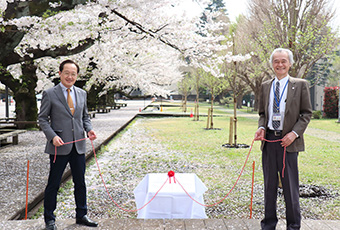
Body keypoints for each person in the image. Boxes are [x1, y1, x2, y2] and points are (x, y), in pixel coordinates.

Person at [254, 48, 312, 230]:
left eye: (283, 61)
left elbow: (306, 114)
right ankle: (269, 224)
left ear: (290, 63)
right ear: (272, 64)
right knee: (269, 187)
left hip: (289, 144)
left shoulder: (300, 85)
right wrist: (261, 127)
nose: (280, 65)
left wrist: (294, 134)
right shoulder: (265, 86)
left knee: (290, 188)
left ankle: (293, 226)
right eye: (276, 61)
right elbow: (263, 113)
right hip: (269, 142)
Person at [39, 60, 98, 230]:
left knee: (80, 182)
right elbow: (42, 119)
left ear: (77, 76)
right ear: (60, 74)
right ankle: (49, 219)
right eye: (67, 73)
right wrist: (52, 137)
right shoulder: (50, 93)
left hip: (78, 145)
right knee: (54, 183)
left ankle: (82, 215)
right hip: (59, 146)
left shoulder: (82, 93)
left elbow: (84, 117)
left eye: (73, 74)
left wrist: (89, 130)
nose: (70, 76)